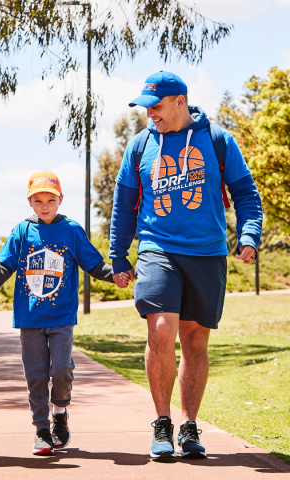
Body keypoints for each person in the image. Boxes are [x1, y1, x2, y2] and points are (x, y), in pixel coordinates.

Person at [109, 71, 263, 460]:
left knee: (195, 341)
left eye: (156, 106)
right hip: (157, 249)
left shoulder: (218, 141)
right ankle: (162, 423)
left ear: (181, 102)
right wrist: (118, 254)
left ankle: (189, 425)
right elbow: (124, 204)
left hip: (207, 253)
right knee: (161, 330)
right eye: (146, 107)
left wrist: (248, 235)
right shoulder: (140, 146)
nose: (150, 114)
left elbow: (246, 193)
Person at [0, 171, 128, 456]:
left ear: (60, 199)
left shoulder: (71, 230)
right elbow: (5, 265)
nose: (44, 205)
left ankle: (59, 411)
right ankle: (41, 430)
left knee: (61, 370)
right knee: (35, 375)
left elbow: (93, 263)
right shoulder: (22, 230)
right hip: (29, 318)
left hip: (61, 317)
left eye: (50, 199)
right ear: (30, 202)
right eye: (38, 200)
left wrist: (115, 276)